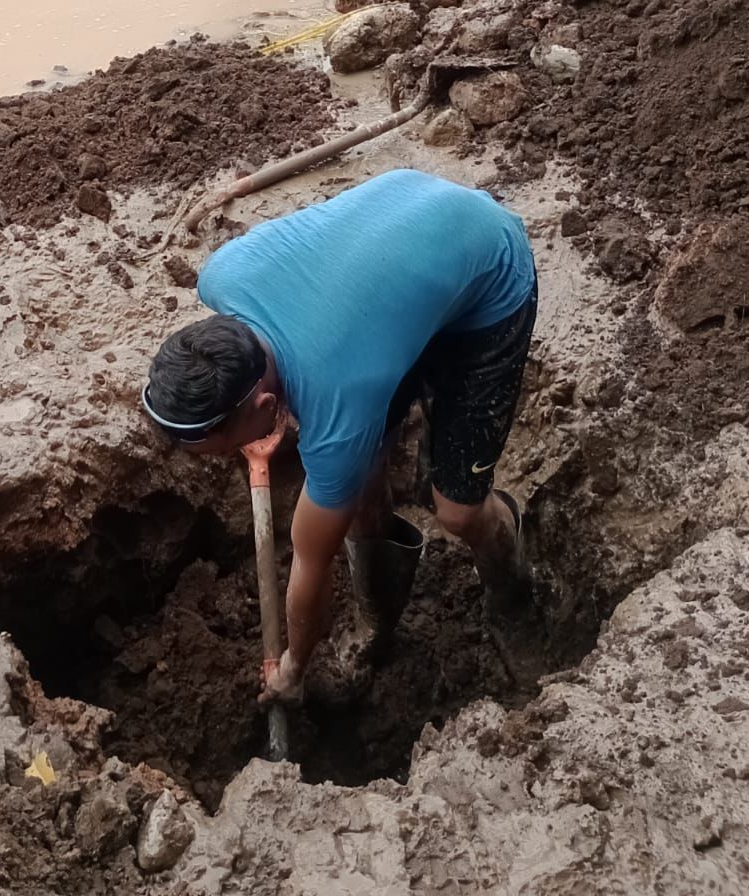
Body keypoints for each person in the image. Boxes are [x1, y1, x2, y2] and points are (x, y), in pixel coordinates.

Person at [142, 168, 539, 702]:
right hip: (404, 231)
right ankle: (378, 620)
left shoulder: (338, 411)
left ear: (263, 406)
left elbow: (311, 563)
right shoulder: (222, 275)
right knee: (359, 482)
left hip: (487, 271)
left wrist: (293, 669)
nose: (232, 457)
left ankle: (513, 592)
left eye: (225, 445)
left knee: (455, 510)